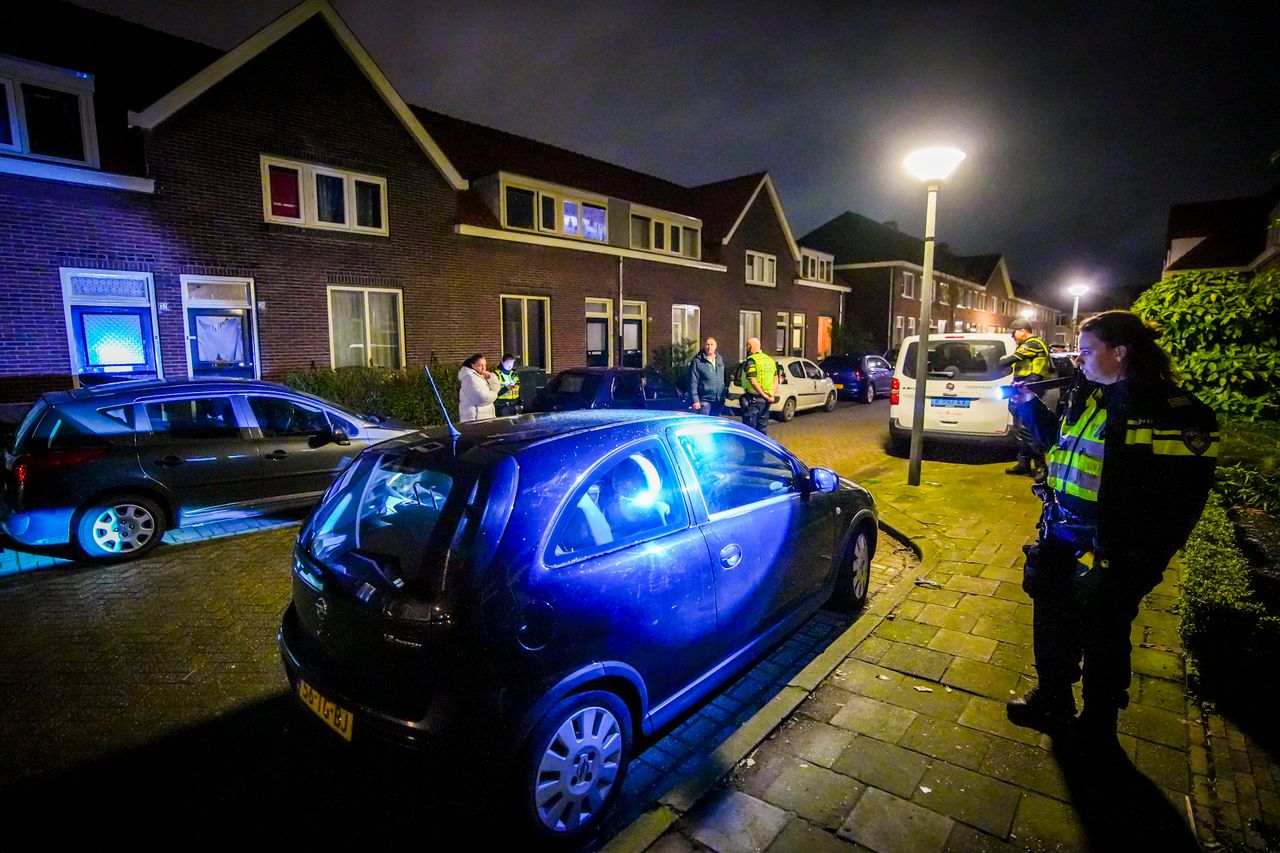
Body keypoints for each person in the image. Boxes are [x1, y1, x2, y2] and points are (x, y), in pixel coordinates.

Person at [1004, 311, 1217, 747]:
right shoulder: (1088, 397)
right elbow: (1058, 447)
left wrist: (1137, 559)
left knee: (1103, 632)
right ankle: (1054, 697)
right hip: (1061, 532)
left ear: (1119, 352)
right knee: (1051, 618)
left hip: (1114, 548)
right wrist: (1028, 406)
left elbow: (1182, 500)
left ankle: (1098, 725)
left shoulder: (1169, 413)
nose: (1078, 360)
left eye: (1086, 351)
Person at [998, 321, 1052, 478]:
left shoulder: (1032, 343)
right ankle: (1023, 464)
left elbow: (1005, 362)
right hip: (1020, 391)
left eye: (1013, 333)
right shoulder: (1029, 345)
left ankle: (1041, 466)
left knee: (1027, 430)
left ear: (1022, 331)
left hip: (1029, 391)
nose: (1012, 337)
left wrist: (1005, 358)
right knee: (1019, 430)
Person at [737, 337, 778, 434]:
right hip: (767, 400)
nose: (746, 348)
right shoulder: (770, 360)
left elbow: (753, 381)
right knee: (762, 429)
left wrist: (763, 395)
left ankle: (751, 449)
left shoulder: (752, 361)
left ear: (750, 347)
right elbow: (776, 379)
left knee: (750, 431)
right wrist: (771, 395)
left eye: (747, 345)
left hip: (754, 399)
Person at [457, 353, 501, 422]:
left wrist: (490, 377)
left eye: (485, 365)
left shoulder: (480, 376)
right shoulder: (469, 377)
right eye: (480, 365)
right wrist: (495, 394)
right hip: (475, 418)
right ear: (473, 365)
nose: (484, 368)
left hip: (484, 418)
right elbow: (482, 398)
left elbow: (497, 388)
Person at [688, 337, 726, 416]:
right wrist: (695, 400)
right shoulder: (697, 361)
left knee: (716, 424)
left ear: (715, 346)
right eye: (707, 345)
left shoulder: (719, 359)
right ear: (704, 346)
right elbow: (693, 381)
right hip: (704, 400)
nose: (709, 347)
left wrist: (725, 391)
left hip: (718, 400)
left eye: (712, 345)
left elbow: (724, 377)